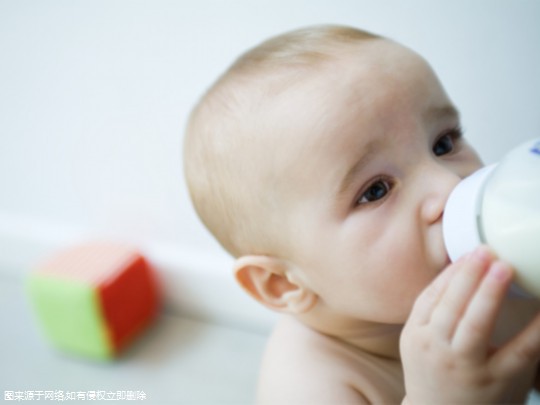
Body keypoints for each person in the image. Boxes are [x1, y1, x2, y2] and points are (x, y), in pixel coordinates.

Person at [183, 25, 540, 404]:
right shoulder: (309, 384)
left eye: (444, 142)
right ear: (284, 284)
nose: (449, 185)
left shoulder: (497, 273)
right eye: (375, 191)